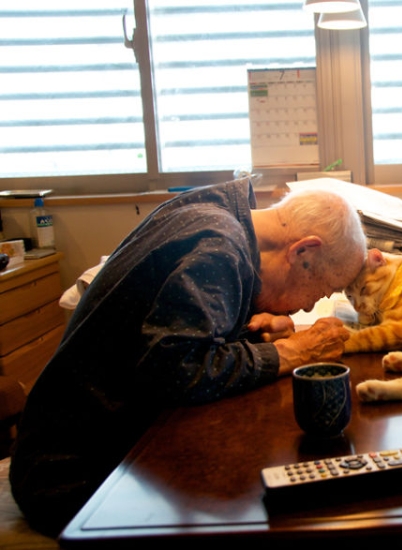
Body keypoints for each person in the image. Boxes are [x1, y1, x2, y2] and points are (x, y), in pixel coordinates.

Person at [9, 178, 367, 537]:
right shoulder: (217, 247)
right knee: (268, 512)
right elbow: (175, 370)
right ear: (302, 252)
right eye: (325, 288)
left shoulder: (218, 213)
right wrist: (290, 352)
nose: (308, 305)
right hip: (77, 478)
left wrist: (249, 335)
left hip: (88, 455)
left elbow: (168, 335)